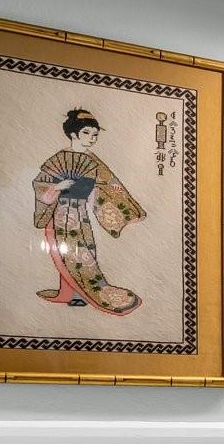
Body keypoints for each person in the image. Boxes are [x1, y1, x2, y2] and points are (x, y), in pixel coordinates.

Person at [31, 107, 147, 315]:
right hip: (58, 214)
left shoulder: (93, 161)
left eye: (95, 134)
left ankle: (82, 293)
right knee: (64, 253)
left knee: (84, 254)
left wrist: (114, 197)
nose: (91, 138)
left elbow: (109, 184)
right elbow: (40, 184)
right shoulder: (58, 159)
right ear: (73, 134)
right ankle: (71, 293)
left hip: (80, 214)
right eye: (86, 133)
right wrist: (58, 187)